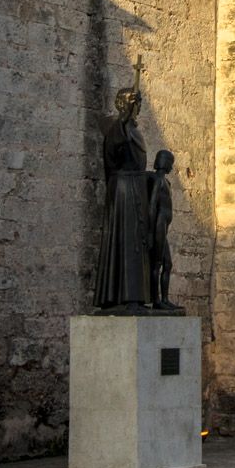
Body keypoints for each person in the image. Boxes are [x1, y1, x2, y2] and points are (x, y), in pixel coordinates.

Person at [92, 83, 150, 310]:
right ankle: (125, 297)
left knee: (137, 243)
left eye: (138, 103)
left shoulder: (134, 131)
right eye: (132, 103)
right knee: (125, 241)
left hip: (136, 188)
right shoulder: (117, 130)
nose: (136, 107)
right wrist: (123, 122)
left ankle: (136, 296)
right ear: (122, 105)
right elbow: (113, 150)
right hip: (123, 190)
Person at [147, 150, 178, 312]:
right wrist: (151, 232)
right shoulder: (158, 180)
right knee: (157, 263)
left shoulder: (166, 182)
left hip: (164, 226)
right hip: (159, 223)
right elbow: (152, 206)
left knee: (168, 263)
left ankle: (164, 299)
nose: (171, 167)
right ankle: (156, 300)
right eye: (170, 163)